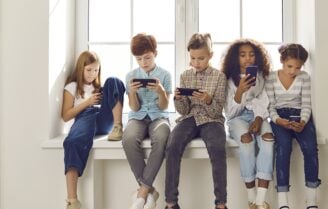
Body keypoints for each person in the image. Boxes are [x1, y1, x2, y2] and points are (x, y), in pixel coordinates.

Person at [164, 33, 228, 209]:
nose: (196, 62)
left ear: (210, 56)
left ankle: (221, 203)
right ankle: (171, 203)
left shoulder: (219, 77)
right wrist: (178, 98)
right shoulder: (185, 75)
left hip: (212, 120)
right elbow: (183, 110)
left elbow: (216, 112)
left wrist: (208, 99)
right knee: (172, 146)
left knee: (217, 148)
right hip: (189, 117)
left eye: (201, 58)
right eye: (193, 58)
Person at [62, 50, 125, 209]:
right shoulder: (72, 87)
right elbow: (66, 115)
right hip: (85, 117)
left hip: (103, 121)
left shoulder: (99, 87)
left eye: (96, 70)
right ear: (80, 68)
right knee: (72, 142)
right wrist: (88, 102)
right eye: (89, 70)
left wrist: (100, 99)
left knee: (114, 81)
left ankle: (118, 126)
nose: (92, 74)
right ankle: (72, 200)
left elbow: (110, 99)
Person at [265, 44, 321, 209]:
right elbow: (270, 106)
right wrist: (277, 120)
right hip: (279, 118)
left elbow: (306, 104)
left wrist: (303, 121)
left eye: (297, 67)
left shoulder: (304, 77)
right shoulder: (270, 77)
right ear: (282, 61)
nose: (293, 71)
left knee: (310, 149)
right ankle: (283, 202)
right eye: (290, 66)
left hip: (300, 117)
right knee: (283, 148)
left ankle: (311, 201)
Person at [221, 38, 274, 209]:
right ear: (235, 58)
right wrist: (240, 92)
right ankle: (251, 197)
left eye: (251, 54)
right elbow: (230, 112)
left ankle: (260, 200)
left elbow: (263, 99)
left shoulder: (260, 76)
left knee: (267, 139)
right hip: (238, 118)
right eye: (243, 55)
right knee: (246, 141)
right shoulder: (229, 79)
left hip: (259, 115)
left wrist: (259, 118)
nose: (248, 58)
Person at [122, 33, 172, 209]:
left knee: (162, 137)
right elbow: (134, 108)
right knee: (128, 139)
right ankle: (149, 190)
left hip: (159, 116)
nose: (144, 62)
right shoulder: (130, 76)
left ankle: (142, 191)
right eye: (139, 59)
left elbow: (164, 106)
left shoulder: (165, 75)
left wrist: (160, 91)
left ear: (155, 54)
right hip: (137, 117)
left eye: (147, 57)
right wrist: (133, 92)